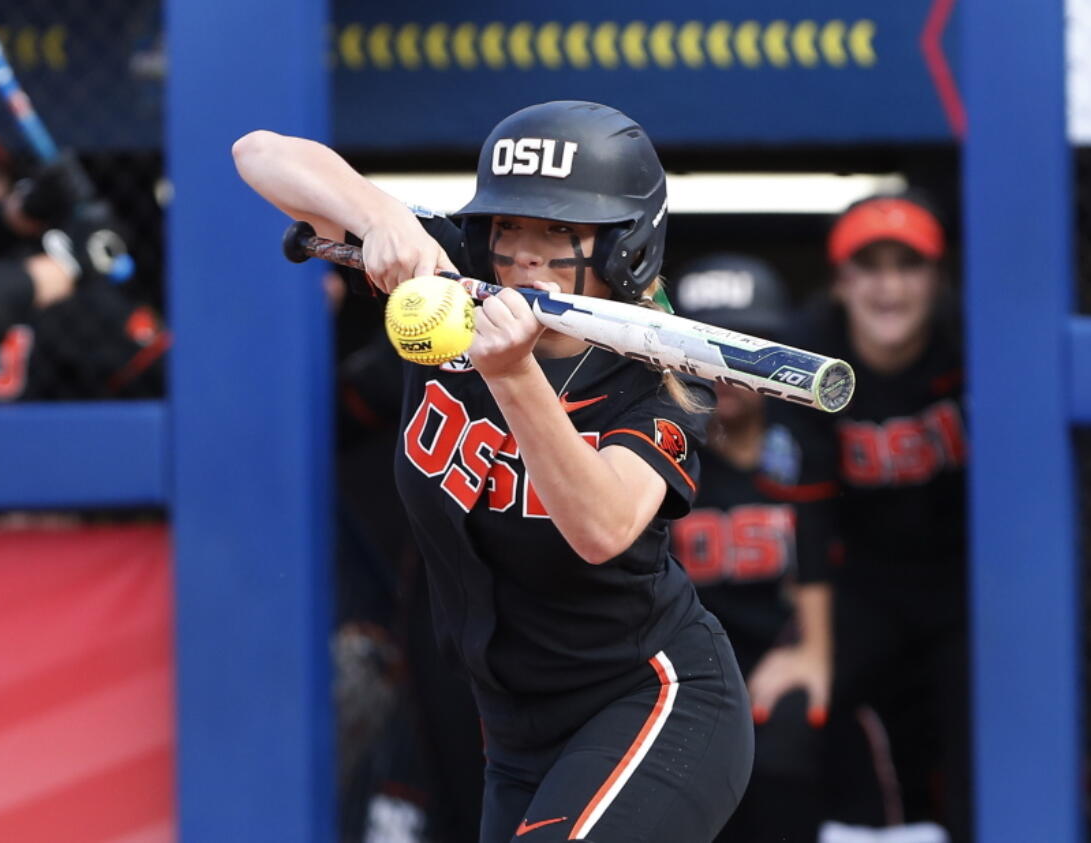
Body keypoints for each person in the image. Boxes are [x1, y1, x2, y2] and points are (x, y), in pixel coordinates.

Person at [234, 100, 753, 842]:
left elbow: (602, 527)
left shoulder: (663, 378)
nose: (526, 254)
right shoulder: (461, 273)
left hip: (651, 699)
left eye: (559, 231)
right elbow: (259, 152)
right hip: (513, 725)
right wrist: (383, 217)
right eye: (510, 226)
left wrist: (511, 375)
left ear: (622, 247)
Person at [790, 192, 970, 842]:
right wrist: (814, 649)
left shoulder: (970, 335)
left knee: (976, 718)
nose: (889, 286)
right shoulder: (811, 348)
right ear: (841, 283)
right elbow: (808, 508)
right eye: (870, 266)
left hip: (966, 576)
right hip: (864, 579)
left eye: (909, 265)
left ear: (937, 279)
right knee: (810, 709)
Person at [669, 254, 834, 843]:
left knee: (793, 732)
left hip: (780, 667)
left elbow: (840, 572)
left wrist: (815, 652)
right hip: (687, 674)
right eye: (706, 347)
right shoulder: (658, 449)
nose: (724, 369)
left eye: (745, 347)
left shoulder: (807, 450)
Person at [0, 107, 167, 400]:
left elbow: (168, 375)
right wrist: (73, 262)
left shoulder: (68, 305)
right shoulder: (41, 283)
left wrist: (21, 214)